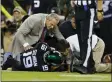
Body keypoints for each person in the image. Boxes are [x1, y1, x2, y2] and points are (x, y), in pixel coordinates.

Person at [70, 0, 103, 73]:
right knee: (80, 38)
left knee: (86, 38)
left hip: (88, 9)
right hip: (78, 9)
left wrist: (100, 10)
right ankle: (90, 66)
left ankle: (85, 65)